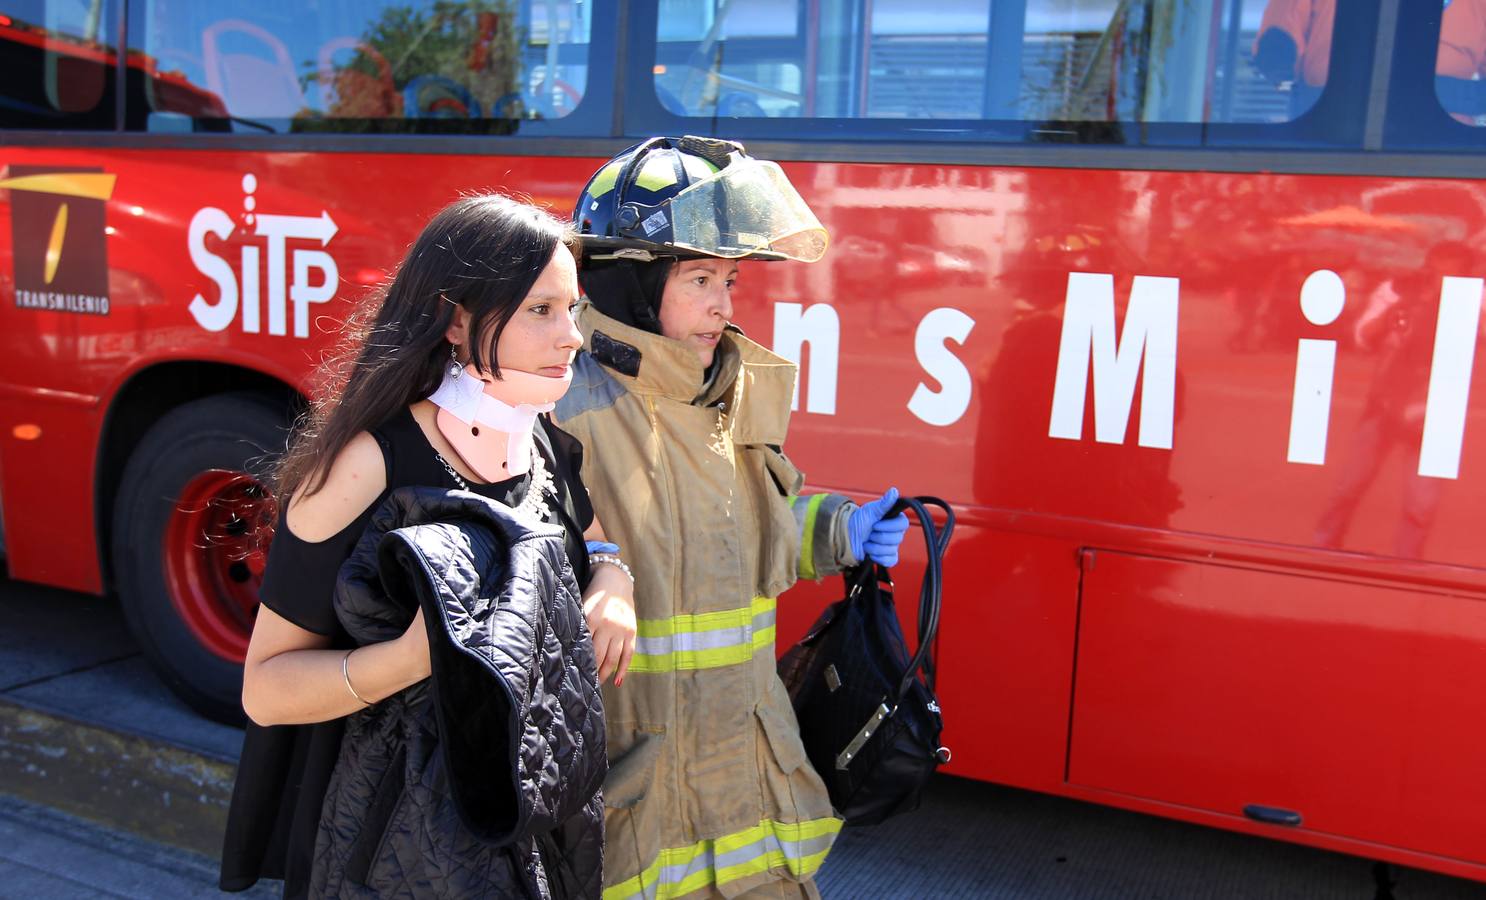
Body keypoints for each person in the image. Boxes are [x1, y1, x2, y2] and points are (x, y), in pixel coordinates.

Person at [219, 194, 636, 898]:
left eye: (573, 309)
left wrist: (613, 583)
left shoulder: (538, 438)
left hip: (524, 821)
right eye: (541, 310)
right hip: (387, 848)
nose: (572, 336)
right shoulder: (362, 466)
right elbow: (265, 691)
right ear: (456, 319)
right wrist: (408, 660)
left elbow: (594, 542)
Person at [554, 136, 910, 899]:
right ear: (630, 285)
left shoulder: (726, 397)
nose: (725, 303)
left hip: (748, 780)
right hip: (640, 801)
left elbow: (756, 528)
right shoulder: (564, 413)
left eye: (731, 280)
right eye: (701, 279)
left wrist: (843, 531)